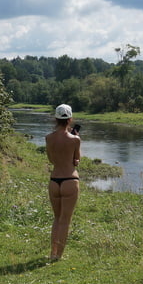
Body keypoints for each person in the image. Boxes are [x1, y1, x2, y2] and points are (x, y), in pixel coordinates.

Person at [45, 103, 81, 261]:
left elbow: (52, 159)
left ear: (56, 119)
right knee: (65, 220)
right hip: (70, 180)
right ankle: (58, 256)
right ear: (70, 119)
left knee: (56, 218)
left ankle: (53, 252)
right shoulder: (75, 139)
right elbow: (76, 161)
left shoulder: (48, 138)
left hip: (54, 181)